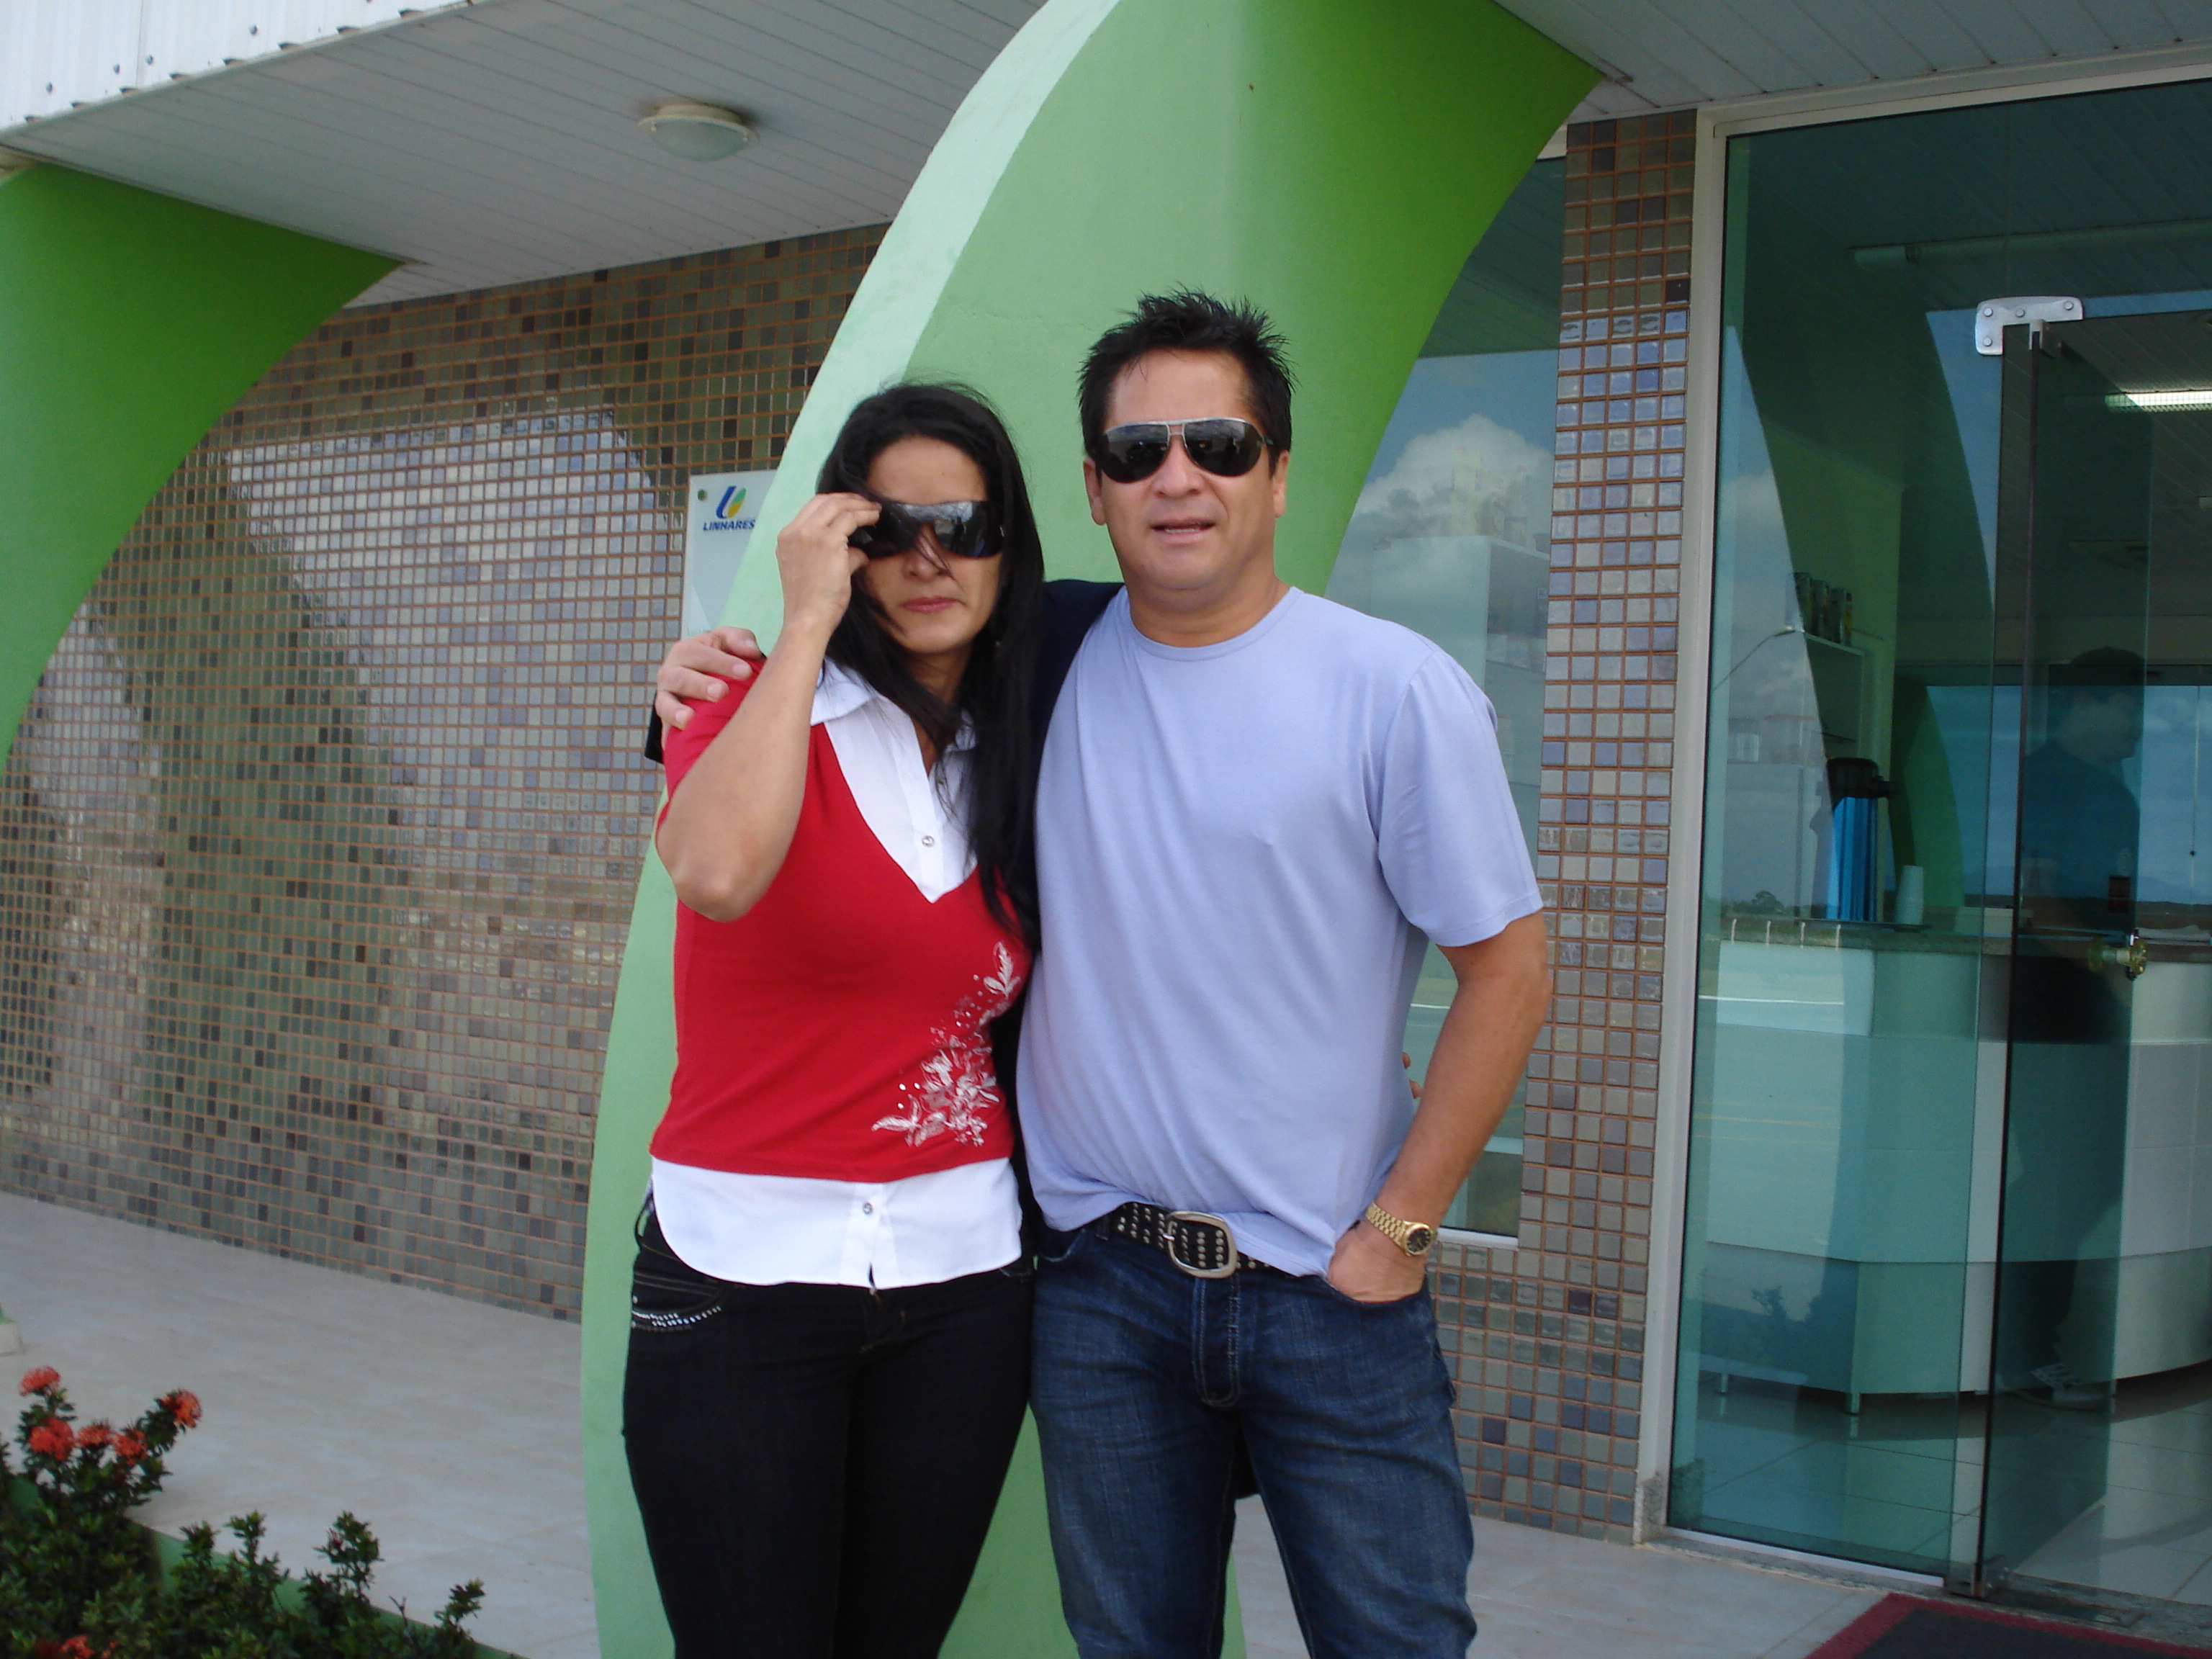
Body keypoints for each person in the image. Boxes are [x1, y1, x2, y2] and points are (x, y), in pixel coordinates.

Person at [654, 293, 1550, 1659]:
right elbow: (825, 733)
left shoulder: (1393, 687)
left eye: (1219, 445)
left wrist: (1403, 1231)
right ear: (1092, 488)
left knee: (1397, 1642)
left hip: (1330, 1283)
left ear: (1278, 473)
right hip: (1098, 1289)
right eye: (1139, 453)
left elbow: (1511, 970)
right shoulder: (1039, 662)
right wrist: (706, 670)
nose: (1177, 478)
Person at [624, 383, 1048, 1659]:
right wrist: (804, 619)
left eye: (965, 526)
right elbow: (715, 873)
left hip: (964, 1284)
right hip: (740, 1275)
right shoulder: (746, 699)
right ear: (839, 543)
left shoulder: (1020, 739)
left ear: (1009, 544)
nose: (929, 558)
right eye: (887, 529)